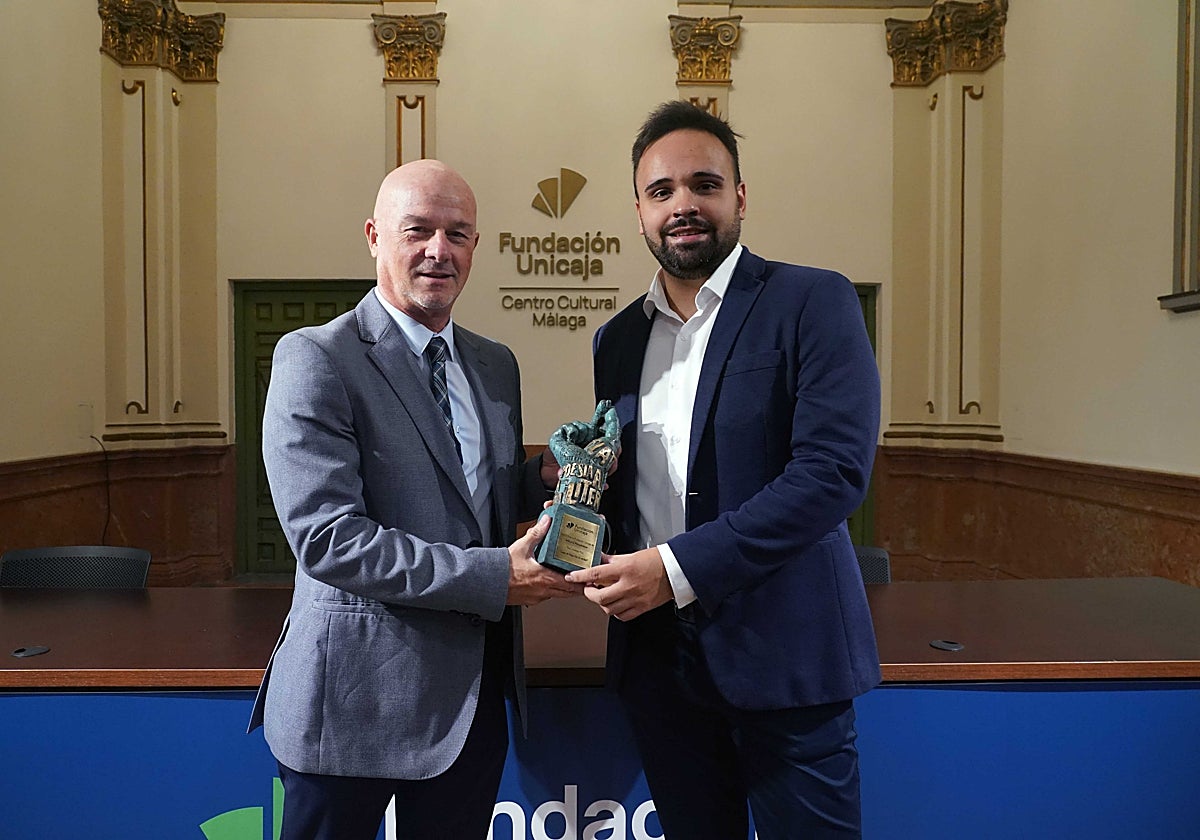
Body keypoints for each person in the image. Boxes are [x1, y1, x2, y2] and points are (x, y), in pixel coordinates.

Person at [565, 101, 882, 838]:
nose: (683, 205)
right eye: (662, 191)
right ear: (640, 212)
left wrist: (673, 568)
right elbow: (619, 484)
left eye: (704, 185)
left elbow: (831, 474)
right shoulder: (615, 339)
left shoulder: (812, 301)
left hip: (788, 661)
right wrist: (567, 515)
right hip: (659, 668)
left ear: (739, 198)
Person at [248, 159, 581, 840]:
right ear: (374, 236)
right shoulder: (316, 358)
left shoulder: (494, 363)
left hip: (470, 698)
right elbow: (330, 540)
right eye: (418, 230)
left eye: (458, 234)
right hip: (351, 700)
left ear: (476, 246)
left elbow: (466, 491)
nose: (439, 250)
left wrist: (543, 478)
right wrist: (496, 576)